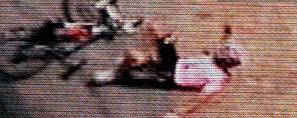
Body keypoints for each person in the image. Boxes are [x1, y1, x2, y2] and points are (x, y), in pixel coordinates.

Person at [89, 23, 245, 117]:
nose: (220, 52)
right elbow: (223, 43)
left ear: (228, 63)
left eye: (225, 54)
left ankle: (113, 75)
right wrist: (226, 34)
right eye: (223, 51)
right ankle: (145, 57)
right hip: (175, 61)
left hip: (171, 75)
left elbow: (201, 100)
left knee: (131, 55)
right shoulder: (216, 58)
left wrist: (177, 113)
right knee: (156, 28)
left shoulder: (219, 79)